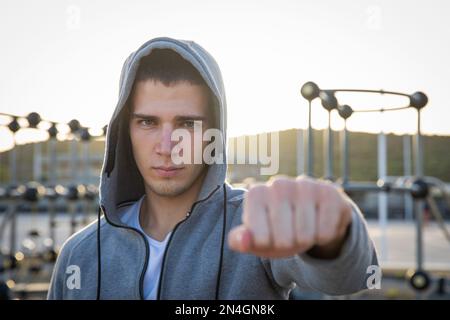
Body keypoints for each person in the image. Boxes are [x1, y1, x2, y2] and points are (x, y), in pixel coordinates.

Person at [47, 37, 378, 300]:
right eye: (147, 122)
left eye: (187, 124)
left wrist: (335, 233)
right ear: (124, 131)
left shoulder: (252, 223)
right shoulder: (80, 254)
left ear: (213, 134)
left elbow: (352, 277)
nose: (166, 145)